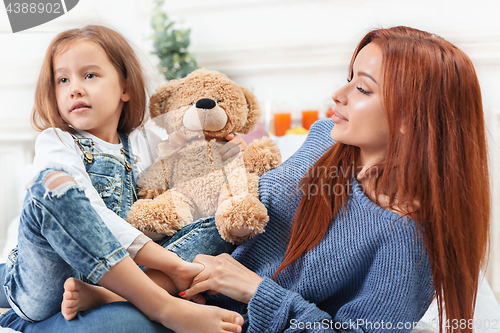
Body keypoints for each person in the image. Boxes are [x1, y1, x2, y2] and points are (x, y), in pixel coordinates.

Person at [1, 25, 491, 333]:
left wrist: (256, 291)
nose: (338, 94)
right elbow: (239, 207)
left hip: (213, 314)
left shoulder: (409, 241)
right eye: (348, 76)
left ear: (412, 119)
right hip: (181, 278)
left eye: (361, 88)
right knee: (51, 193)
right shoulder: (325, 138)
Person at [0, 25, 246, 333]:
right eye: (63, 79)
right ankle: (163, 305)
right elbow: (95, 217)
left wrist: (226, 156)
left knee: (220, 220)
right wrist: (174, 266)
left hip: (119, 278)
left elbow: (188, 186)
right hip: (48, 283)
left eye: (90, 75)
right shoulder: (57, 142)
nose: (74, 88)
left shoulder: (143, 141)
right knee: (52, 185)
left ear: (125, 88)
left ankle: (108, 296)